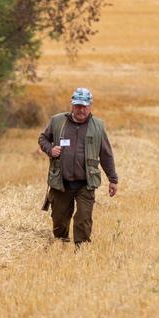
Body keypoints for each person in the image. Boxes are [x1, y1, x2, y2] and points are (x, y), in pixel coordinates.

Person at [38, 87, 118, 245]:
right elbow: (43, 138)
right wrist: (50, 149)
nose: (81, 109)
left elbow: (106, 154)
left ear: (90, 106)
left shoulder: (98, 127)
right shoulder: (57, 121)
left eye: (84, 106)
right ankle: (61, 244)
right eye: (78, 106)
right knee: (59, 220)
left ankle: (81, 251)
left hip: (86, 184)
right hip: (61, 182)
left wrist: (113, 179)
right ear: (72, 105)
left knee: (83, 219)